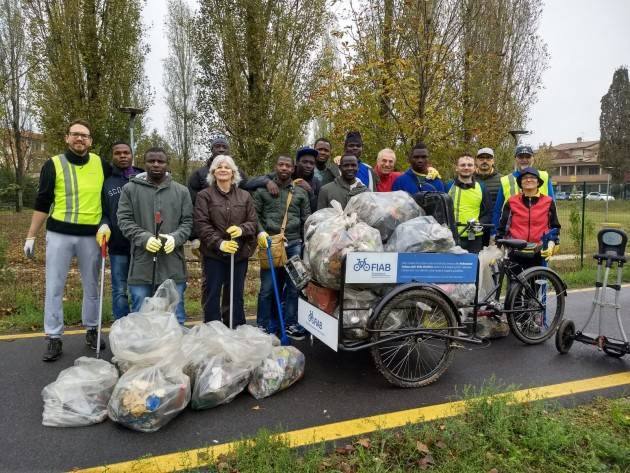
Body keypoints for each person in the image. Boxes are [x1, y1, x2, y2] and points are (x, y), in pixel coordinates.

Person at [24, 119, 111, 361]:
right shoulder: (53, 164)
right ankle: (53, 337)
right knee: (54, 285)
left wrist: (106, 222)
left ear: (91, 141)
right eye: (75, 134)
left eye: (84, 135)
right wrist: (31, 234)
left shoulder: (101, 164)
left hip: (91, 236)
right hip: (59, 234)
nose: (79, 138)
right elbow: (42, 202)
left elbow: (112, 194)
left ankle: (92, 330)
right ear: (67, 138)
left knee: (92, 285)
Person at [117, 147, 193, 324]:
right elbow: (124, 220)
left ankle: (174, 350)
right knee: (141, 315)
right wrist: (143, 238)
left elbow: (188, 222)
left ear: (167, 164)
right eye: (151, 161)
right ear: (144, 164)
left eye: (161, 161)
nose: (156, 164)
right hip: (141, 265)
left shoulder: (181, 191)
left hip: (173, 264)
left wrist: (176, 237)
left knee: (175, 316)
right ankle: (143, 351)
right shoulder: (130, 189)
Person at [193, 155, 257, 326]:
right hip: (213, 254)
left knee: (235, 295)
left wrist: (242, 229)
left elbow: (253, 222)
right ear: (213, 172)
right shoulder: (204, 196)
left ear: (233, 172)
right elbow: (202, 224)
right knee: (212, 294)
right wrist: (219, 243)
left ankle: (235, 328)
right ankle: (213, 331)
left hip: (239, 254)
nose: (223, 169)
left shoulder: (245, 196)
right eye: (218, 167)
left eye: (227, 167)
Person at [253, 154, 311, 339]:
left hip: (293, 245)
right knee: (268, 287)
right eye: (281, 165)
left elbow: (306, 220)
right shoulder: (262, 190)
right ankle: (263, 324)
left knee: (294, 287)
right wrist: (261, 232)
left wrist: (304, 242)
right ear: (276, 166)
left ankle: (290, 324)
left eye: (288, 166)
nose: (284, 168)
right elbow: (254, 215)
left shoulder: (300, 192)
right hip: (269, 243)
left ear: (293, 169)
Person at [99, 141, 144, 320]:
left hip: (142, 244)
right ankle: (121, 327)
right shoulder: (107, 181)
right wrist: (103, 224)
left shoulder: (142, 176)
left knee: (140, 289)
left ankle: (141, 327)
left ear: (132, 155)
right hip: (118, 245)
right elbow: (103, 211)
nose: (123, 156)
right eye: (118, 153)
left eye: (126, 152)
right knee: (119, 289)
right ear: (113, 156)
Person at [496, 167, 560, 270]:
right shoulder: (512, 202)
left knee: (536, 284)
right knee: (514, 285)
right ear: (520, 183)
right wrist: (497, 248)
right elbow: (503, 227)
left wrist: (552, 243)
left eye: (532, 177)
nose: (528, 180)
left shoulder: (548, 201)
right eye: (524, 178)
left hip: (538, 251)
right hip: (515, 251)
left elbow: (554, 226)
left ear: (538, 182)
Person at [492, 144, 555, 230]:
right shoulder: (505, 180)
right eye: (521, 157)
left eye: (528, 157)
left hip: (540, 232)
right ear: (515, 159)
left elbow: (553, 207)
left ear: (533, 158)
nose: (524, 160)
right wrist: (494, 232)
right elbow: (497, 210)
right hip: (513, 233)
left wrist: (554, 233)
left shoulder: (544, 176)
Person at [445, 155, 492, 254]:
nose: (466, 168)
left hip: (474, 238)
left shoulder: (482, 187)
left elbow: (488, 212)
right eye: (462, 165)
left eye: (470, 165)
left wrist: (480, 223)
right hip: (451, 237)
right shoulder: (448, 186)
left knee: (473, 268)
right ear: (457, 168)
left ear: (475, 168)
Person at [474, 147, 502, 247]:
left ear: (493, 160)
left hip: (494, 228)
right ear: (476, 161)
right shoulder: (467, 178)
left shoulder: (503, 180)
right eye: (481, 158)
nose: (485, 161)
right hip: (472, 227)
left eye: (488, 158)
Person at [293, 147, 322, 212]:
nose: (308, 166)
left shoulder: (317, 183)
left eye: (312, 163)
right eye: (305, 162)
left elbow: (318, 210)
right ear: (297, 162)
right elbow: (267, 177)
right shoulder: (287, 175)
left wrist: (310, 191)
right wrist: (268, 182)